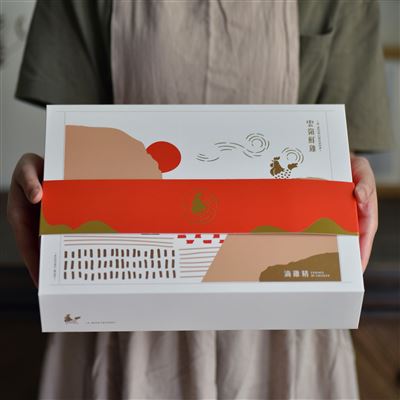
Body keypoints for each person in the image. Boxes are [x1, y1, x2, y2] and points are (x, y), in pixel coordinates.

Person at [7, 1, 393, 399]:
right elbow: (78, 141)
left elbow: (337, 151)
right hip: (124, 297)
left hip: (287, 307)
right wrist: (48, 183)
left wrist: (350, 184)